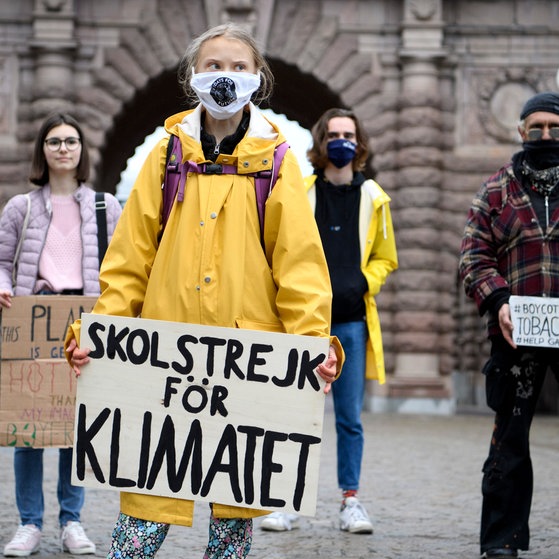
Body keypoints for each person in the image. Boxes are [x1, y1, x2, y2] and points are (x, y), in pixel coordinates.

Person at [64, 23, 343, 559]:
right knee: (141, 520)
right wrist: (99, 331)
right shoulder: (165, 157)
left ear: (257, 79)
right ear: (193, 77)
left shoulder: (278, 163)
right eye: (214, 65)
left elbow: (300, 267)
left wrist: (311, 345)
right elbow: (128, 263)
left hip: (244, 368)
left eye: (238, 67)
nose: (225, 76)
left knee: (231, 524)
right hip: (160, 365)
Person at [261, 108, 398, 534]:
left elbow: (386, 258)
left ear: (360, 144)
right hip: (307, 327)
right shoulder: (301, 192)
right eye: (334, 134)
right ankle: (284, 500)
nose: (342, 141)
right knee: (296, 415)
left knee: (349, 418)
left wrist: (364, 281)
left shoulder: (375, 198)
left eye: (349, 134)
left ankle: (350, 501)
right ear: (321, 143)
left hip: (353, 323)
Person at [0, 111, 122, 556]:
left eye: (71, 141)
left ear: (82, 151)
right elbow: (1, 260)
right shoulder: (21, 207)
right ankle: (29, 523)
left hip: (84, 320)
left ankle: (72, 521)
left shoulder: (109, 207)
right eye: (54, 142)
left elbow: (121, 269)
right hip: (34, 315)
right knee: (27, 427)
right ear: (43, 151)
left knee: (75, 426)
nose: (63, 149)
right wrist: (4, 285)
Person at [459, 91, 559, 559]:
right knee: (509, 442)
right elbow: (473, 255)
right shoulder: (496, 189)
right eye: (536, 127)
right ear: (521, 132)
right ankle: (502, 540)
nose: (545, 135)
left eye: (554, 128)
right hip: (517, 333)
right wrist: (497, 299)